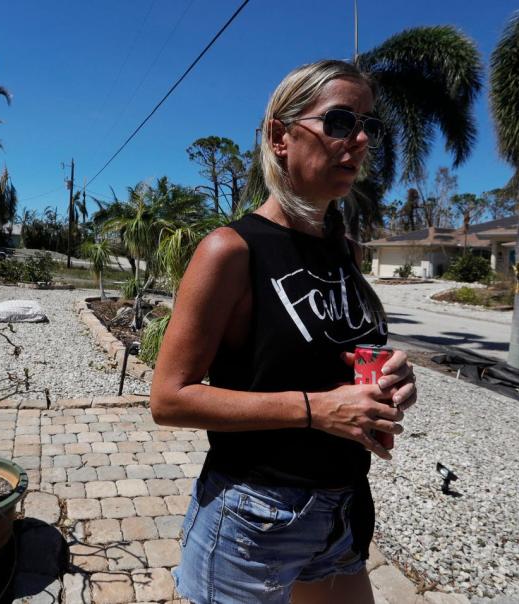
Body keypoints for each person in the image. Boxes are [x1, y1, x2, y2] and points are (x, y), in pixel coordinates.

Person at [149, 60, 418, 604]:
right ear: (280, 136)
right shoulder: (231, 250)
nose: (361, 139)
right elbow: (169, 399)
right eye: (340, 121)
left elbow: (327, 365)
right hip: (254, 517)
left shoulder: (344, 251)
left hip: (341, 508)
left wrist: (391, 379)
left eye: (368, 125)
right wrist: (319, 410)